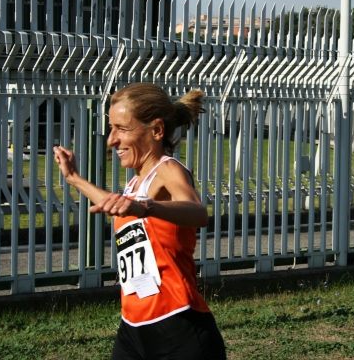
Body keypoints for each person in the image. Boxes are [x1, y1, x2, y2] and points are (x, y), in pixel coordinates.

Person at [53, 82, 226, 360]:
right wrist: (74, 178)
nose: (111, 139)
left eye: (121, 128)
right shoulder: (136, 183)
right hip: (134, 326)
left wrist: (147, 207)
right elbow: (114, 204)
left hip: (178, 324)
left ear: (156, 130)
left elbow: (198, 212)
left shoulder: (167, 170)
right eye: (111, 128)